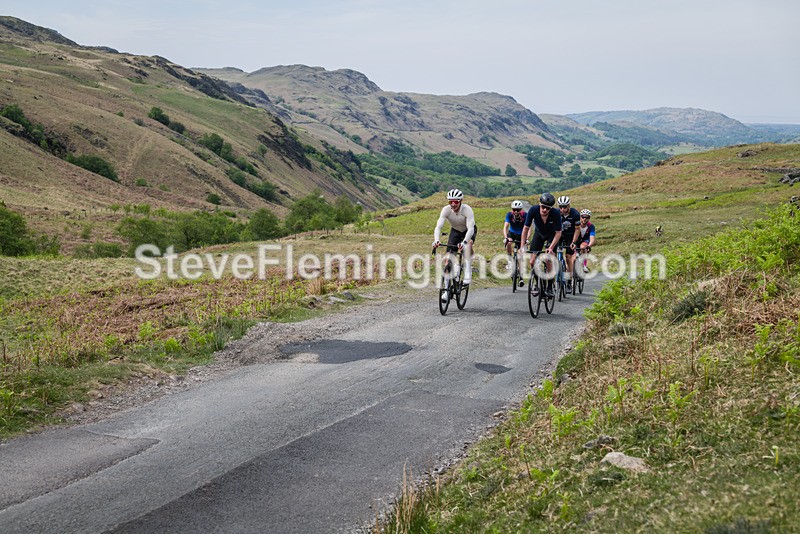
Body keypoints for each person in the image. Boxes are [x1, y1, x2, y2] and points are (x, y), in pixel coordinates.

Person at [432, 189, 477, 300]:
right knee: (448, 260)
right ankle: (447, 290)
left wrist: (465, 242)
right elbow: (438, 227)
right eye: (450, 202)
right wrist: (436, 240)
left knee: (468, 246)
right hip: (455, 231)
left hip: (468, 230)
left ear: (460, 201)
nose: (453, 204)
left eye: (456, 202)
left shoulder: (467, 210)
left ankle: (467, 269)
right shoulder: (446, 210)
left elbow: (471, 228)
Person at [520, 193, 562, 297]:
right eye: (543, 207)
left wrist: (551, 247)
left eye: (547, 208)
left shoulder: (555, 213)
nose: (544, 210)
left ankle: (549, 285)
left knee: (549, 259)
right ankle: (538, 284)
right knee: (532, 261)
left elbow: (558, 233)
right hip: (539, 234)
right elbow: (525, 229)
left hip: (551, 236)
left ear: (550, 208)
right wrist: (522, 246)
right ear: (540, 205)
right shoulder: (533, 210)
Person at [556, 196, 581, 290]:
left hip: (570, 236)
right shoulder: (556, 213)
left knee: (568, 257)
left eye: (565, 207)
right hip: (559, 235)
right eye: (560, 207)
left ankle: (569, 280)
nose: (562, 209)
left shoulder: (575, 214)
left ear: (569, 206)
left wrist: (574, 242)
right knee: (552, 253)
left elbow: (577, 229)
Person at [503, 200, 526, 277]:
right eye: (514, 210)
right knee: (509, 243)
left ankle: (520, 269)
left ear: (521, 209)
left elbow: (528, 228)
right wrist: (506, 237)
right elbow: (505, 226)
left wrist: (527, 238)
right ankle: (510, 259)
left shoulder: (525, 215)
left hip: (521, 234)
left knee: (520, 253)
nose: (516, 211)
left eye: (518, 210)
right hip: (512, 232)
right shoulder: (509, 215)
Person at [575, 209, 596, 273]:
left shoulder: (591, 226)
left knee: (583, 247)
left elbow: (592, 238)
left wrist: (589, 246)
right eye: (583, 217)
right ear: (580, 217)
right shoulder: (576, 224)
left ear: (589, 218)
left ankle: (584, 266)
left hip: (585, 240)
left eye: (587, 217)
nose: (584, 219)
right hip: (576, 240)